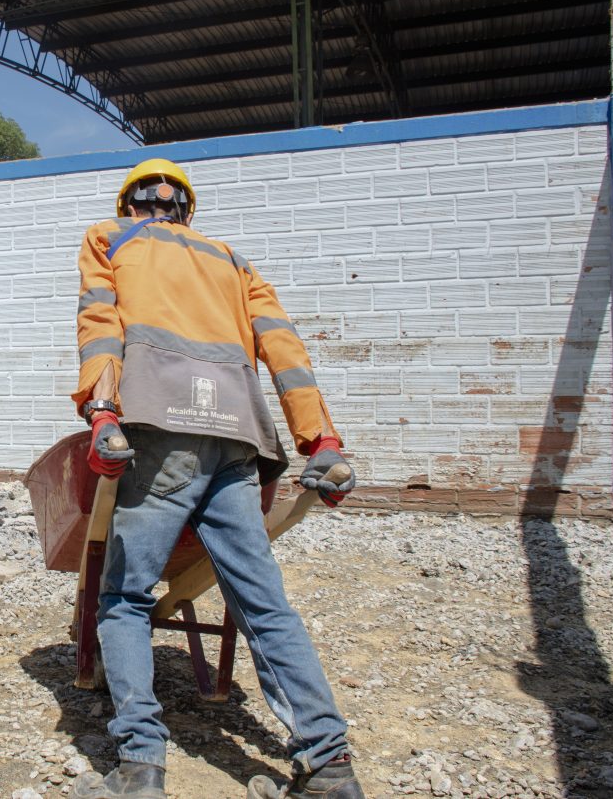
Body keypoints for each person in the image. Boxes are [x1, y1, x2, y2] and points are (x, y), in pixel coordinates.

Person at [70, 159, 361, 799]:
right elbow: (283, 347)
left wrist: (102, 412)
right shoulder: (231, 258)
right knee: (264, 603)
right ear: (186, 210)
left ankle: (140, 767)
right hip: (236, 437)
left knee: (123, 600)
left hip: (155, 431)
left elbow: (101, 323)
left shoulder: (108, 237)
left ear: (132, 205)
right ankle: (329, 765)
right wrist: (321, 440)